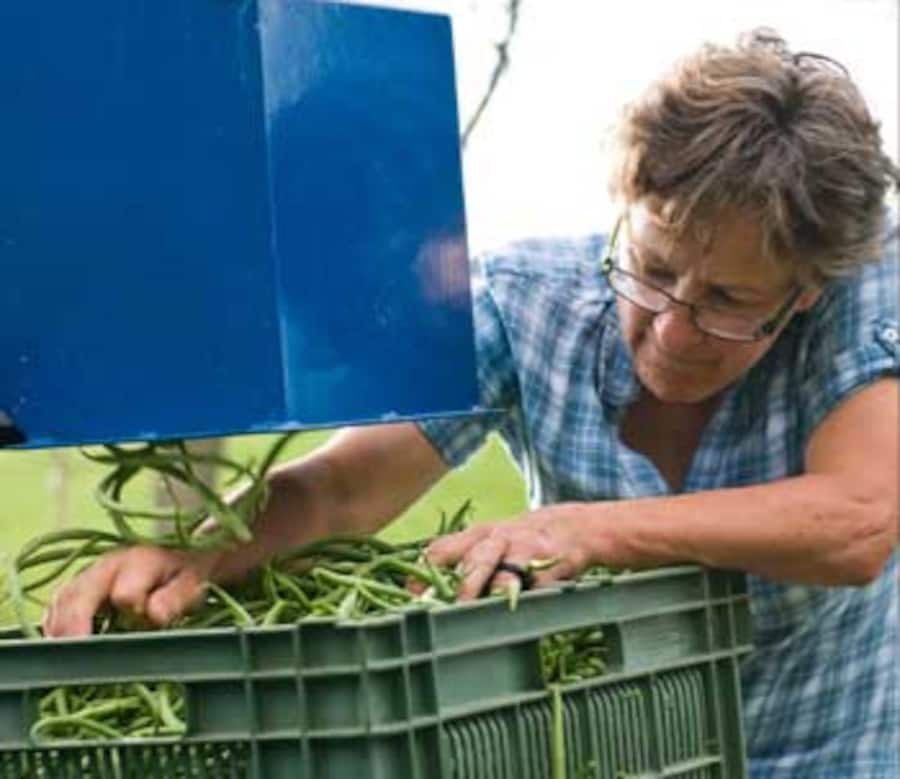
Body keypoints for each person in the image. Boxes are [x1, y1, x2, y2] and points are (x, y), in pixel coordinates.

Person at [45, 29, 898, 778]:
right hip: (624, 754)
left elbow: (858, 520)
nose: (673, 328)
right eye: (654, 269)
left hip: (826, 754)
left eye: (726, 302)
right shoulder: (527, 299)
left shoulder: (861, 296)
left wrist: (586, 530)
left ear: (803, 295)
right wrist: (201, 556)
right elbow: (344, 488)